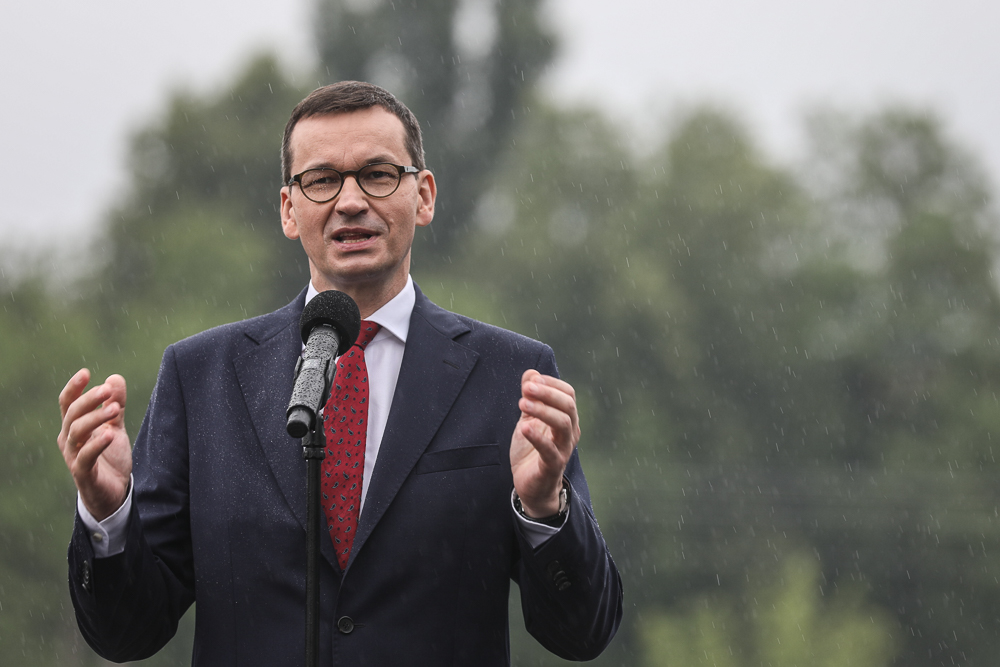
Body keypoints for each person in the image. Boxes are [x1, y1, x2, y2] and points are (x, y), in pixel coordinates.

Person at [57, 81, 622, 666]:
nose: (350, 201)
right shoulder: (200, 377)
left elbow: (583, 633)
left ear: (424, 196)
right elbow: (128, 634)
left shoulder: (510, 377)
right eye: (322, 180)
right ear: (288, 209)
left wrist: (544, 509)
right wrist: (108, 512)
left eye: (378, 175)